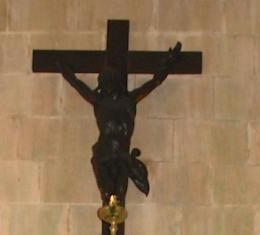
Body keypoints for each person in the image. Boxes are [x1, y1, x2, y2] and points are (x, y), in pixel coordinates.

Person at [59, 43, 182, 204]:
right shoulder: (99, 101)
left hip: (122, 155)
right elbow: (78, 85)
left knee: (120, 194)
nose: (104, 88)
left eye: (106, 82)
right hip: (104, 154)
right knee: (107, 193)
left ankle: (114, 223)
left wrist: (169, 62)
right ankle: (110, 219)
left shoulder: (129, 100)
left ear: (113, 82)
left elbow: (154, 82)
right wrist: (63, 70)